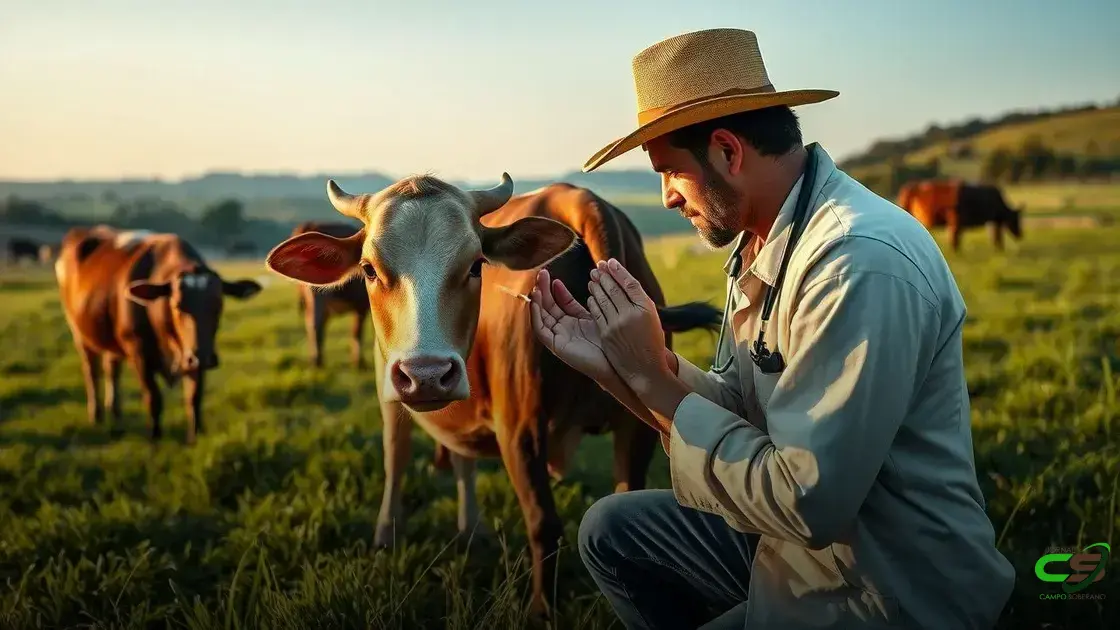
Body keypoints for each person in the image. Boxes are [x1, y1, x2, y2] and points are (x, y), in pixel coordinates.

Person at [528, 27, 1015, 630]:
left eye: (671, 172)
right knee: (612, 529)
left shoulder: (855, 264)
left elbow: (808, 503)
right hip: (801, 558)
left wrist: (652, 377)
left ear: (728, 151)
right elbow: (741, 409)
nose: (669, 198)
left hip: (885, 590)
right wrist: (620, 368)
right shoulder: (767, 238)